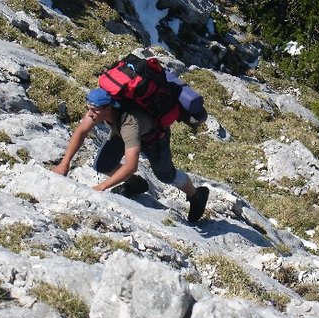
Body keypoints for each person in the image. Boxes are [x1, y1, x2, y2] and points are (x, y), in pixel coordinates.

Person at [52, 88, 209, 222]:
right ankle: (136, 184)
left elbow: (131, 165)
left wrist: (102, 187)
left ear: (108, 109)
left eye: (94, 110)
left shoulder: (129, 124)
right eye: (89, 109)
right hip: (120, 134)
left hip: (153, 139)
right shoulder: (99, 111)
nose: (90, 114)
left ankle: (196, 195)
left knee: (166, 175)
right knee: (102, 165)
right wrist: (65, 162)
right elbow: (81, 131)